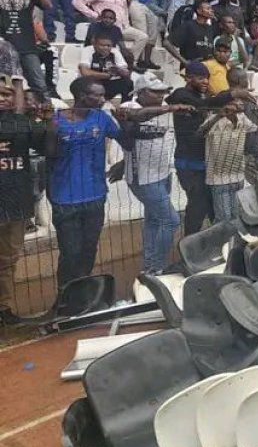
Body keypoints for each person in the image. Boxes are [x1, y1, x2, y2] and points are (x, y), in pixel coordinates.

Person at [47, 77, 120, 291]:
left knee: (88, 250)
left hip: (96, 196)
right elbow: (48, 156)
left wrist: (123, 162)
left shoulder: (102, 118)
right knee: (70, 252)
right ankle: (65, 298)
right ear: (81, 96)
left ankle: (81, 296)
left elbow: (126, 140)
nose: (102, 99)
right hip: (65, 200)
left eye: (103, 94)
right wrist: (50, 131)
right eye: (97, 94)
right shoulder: (55, 120)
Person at [165, 61, 251, 234]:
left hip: (204, 162)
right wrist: (231, 94)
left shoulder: (201, 98)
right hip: (189, 163)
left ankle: (216, 244)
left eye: (207, 78)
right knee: (198, 206)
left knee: (212, 207)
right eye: (200, 78)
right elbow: (204, 105)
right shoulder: (182, 95)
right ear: (188, 78)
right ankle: (190, 245)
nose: (205, 81)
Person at [118, 73, 192, 273]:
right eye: (155, 92)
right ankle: (157, 267)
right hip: (142, 178)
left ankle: (150, 264)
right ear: (141, 92)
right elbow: (133, 117)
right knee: (171, 220)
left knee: (153, 220)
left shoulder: (161, 109)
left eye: (163, 92)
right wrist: (169, 107)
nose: (161, 96)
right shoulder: (130, 106)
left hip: (162, 174)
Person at [0, 75, 49, 324]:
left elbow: (48, 147)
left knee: (9, 260)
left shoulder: (23, 123)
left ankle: (3, 309)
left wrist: (43, 119)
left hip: (17, 202)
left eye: (7, 94)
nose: (2, 99)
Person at [198, 99, 257, 222]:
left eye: (240, 102)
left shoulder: (242, 118)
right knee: (224, 219)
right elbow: (199, 134)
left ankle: (233, 241)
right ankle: (221, 240)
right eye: (235, 102)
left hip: (238, 176)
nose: (240, 104)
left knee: (237, 217)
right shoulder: (214, 119)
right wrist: (219, 115)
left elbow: (257, 130)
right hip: (219, 178)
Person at [72, 0, 149, 62]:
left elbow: (124, 8)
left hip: (124, 27)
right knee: (116, 45)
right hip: (107, 28)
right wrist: (94, 15)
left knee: (143, 37)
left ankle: (131, 62)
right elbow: (76, 2)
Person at [0, 0, 51, 96]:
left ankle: (43, 116)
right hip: (3, 46)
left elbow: (47, 5)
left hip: (26, 45)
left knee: (39, 85)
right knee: (5, 87)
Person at [78, 34, 133, 102]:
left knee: (128, 83)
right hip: (89, 83)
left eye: (108, 45)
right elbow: (85, 73)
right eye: (102, 45)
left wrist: (118, 70)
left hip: (107, 83)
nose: (105, 48)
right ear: (95, 45)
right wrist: (108, 75)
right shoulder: (88, 50)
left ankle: (125, 107)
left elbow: (126, 73)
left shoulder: (114, 51)